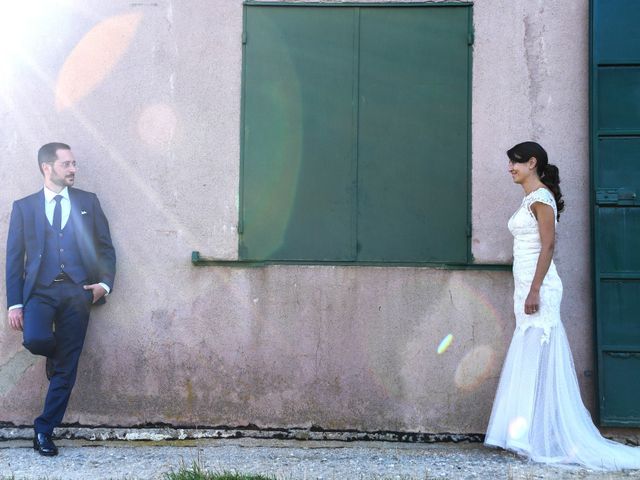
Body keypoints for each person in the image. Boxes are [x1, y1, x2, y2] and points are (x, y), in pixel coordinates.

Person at [485, 141, 640, 469]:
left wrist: (535, 290)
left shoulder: (541, 198)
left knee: (538, 356)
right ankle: (523, 434)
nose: (510, 169)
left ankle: (536, 436)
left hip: (538, 288)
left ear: (532, 162)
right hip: (525, 287)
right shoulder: (529, 198)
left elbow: (549, 245)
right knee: (528, 357)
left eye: (515, 163)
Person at [5, 142, 116, 456]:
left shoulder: (88, 202)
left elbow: (105, 247)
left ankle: (43, 431)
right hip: (39, 292)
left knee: (67, 366)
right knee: (36, 339)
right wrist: (14, 303)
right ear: (47, 167)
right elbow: (14, 259)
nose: (73, 170)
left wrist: (104, 285)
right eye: (67, 164)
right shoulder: (25, 207)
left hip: (78, 293)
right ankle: (54, 356)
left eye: (74, 164)